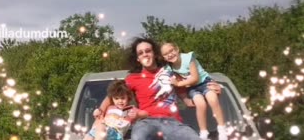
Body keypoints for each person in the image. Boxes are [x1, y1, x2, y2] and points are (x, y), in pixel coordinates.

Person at [94, 37, 222, 140]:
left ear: (154, 53)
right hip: (146, 121)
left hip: (173, 122)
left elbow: (190, 93)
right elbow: (113, 96)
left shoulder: (170, 71)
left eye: (148, 51)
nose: (145, 54)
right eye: (141, 53)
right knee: (138, 137)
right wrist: (101, 110)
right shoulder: (133, 78)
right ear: (138, 59)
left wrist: (211, 89)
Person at [161, 42, 229, 140]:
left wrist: (178, 84)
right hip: (192, 88)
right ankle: (203, 132)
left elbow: (195, 78)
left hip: (204, 82)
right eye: (166, 54)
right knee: (200, 104)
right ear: (164, 58)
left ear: (177, 49)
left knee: (213, 99)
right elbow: (166, 79)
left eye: (171, 50)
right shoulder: (169, 68)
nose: (170, 54)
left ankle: (222, 128)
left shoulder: (188, 58)